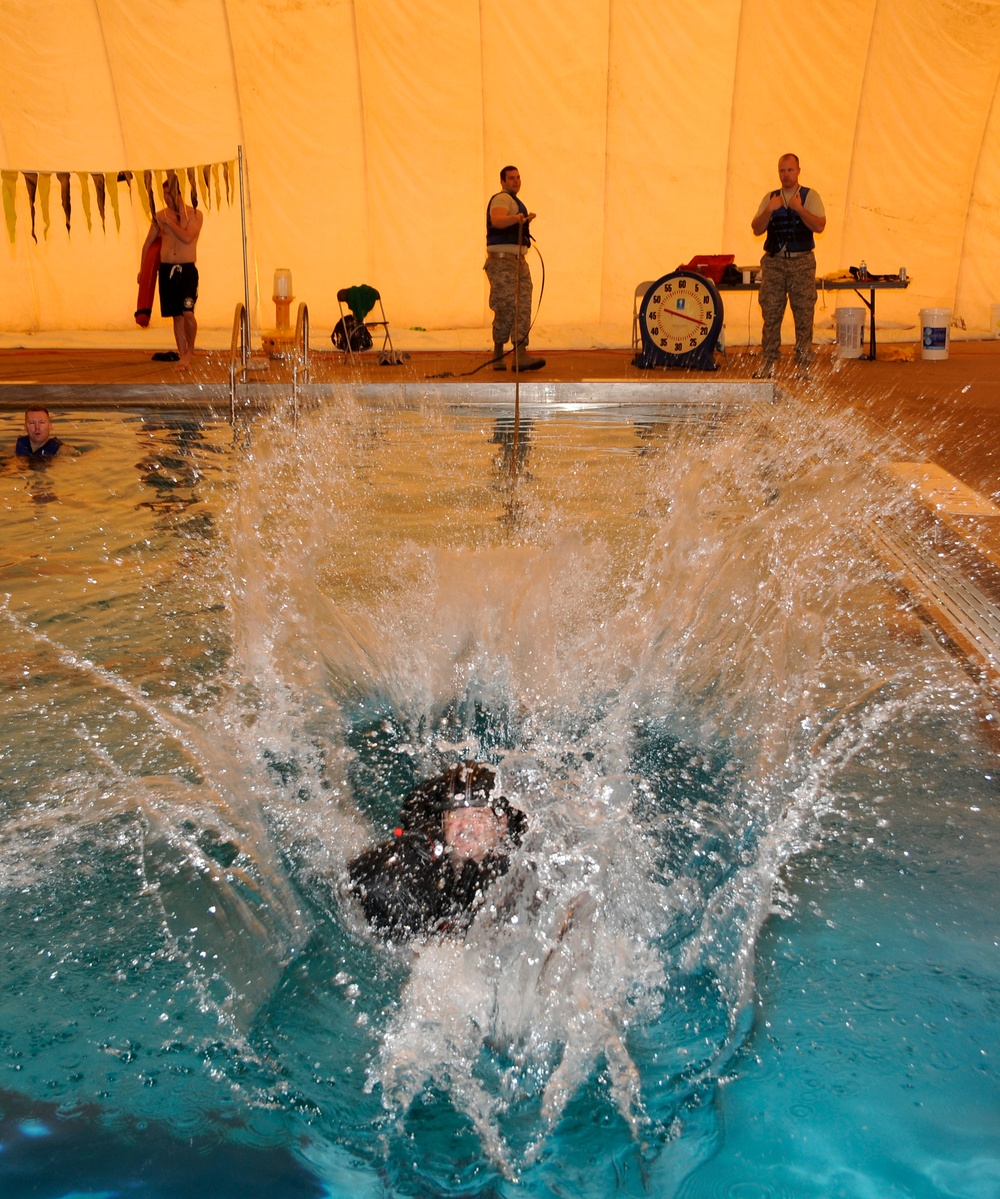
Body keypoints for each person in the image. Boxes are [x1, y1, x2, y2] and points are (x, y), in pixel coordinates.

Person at [347, 761, 527, 943]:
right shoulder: (414, 870)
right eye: (455, 814)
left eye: (478, 814)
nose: (465, 826)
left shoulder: (518, 866)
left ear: (502, 823)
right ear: (442, 820)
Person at [750, 153, 826, 375]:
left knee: (804, 313)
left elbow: (820, 226)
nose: (786, 175)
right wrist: (769, 209)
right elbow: (756, 228)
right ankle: (769, 363)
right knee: (771, 313)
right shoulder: (770, 198)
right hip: (774, 263)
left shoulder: (810, 196)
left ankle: (803, 365)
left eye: (790, 170)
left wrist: (799, 209)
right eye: (782, 170)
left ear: (798, 171)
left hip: (802, 262)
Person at [139, 173, 204, 369]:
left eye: (170, 194)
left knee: (188, 313)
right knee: (176, 315)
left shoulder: (194, 215)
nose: (167, 198)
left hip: (186, 270)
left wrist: (168, 222)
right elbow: (148, 242)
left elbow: (187, 238)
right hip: (167, 270)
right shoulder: (160, 217)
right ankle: (183, 355)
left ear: (178, 192)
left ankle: (190, 350)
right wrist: (143, 270)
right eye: (164, 194)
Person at [485, 166, 545, 373]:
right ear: (502, 181)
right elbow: (497, 220)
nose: (516, 181)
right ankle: (498, 354)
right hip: (502, 263)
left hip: (519, 262)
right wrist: (517, 219)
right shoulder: (502, 199)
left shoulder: (516, 202)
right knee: (506, 306)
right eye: (511, 178)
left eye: (518, 178)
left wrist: (523, 220)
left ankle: (520, 354)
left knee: (523, 306)